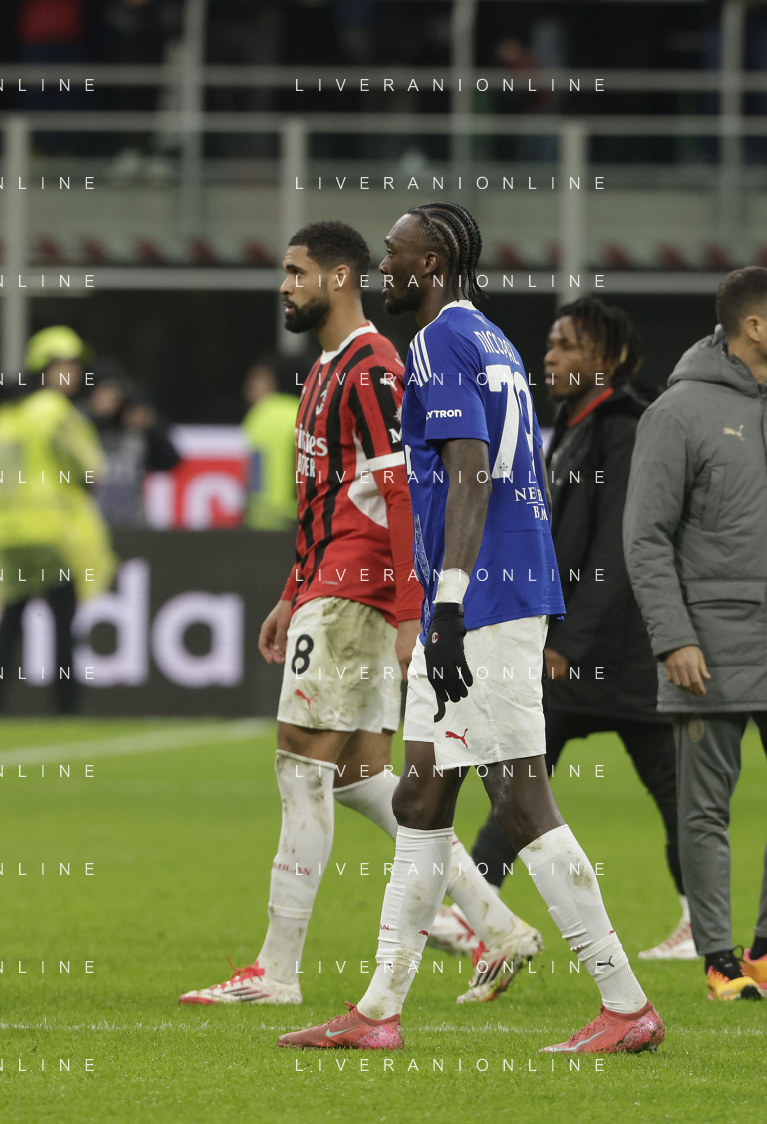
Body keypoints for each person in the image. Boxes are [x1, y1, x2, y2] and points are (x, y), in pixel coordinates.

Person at [279, 203, 664, 1054]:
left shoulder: (436, 342)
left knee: (521, 799)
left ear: (433, 264)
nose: (384, 268)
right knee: (420, 796)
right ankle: (378, 1010)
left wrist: (448, 600)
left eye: (394, 255)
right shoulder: (490, 338)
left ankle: (625, 1003)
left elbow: (468, 468)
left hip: (480, 603)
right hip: (488, 594)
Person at [179, 220, 543, 1009]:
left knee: (298, 766)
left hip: (357, 593)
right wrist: (291, 591)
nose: (284, 286)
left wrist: (412, 610)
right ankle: (498, 926)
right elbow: (326, 497)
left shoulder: (374, 368)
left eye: (296, 272)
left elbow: (402, 491)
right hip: (329, 586)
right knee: (358, 779)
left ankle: (275, 972)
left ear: (337, 278)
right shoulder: (324, 369)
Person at [468, 297, 691, 961]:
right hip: (591, 645)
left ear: (608, 358)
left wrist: (567, 641)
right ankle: (478, 907)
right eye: (550, 344)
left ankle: (477, 907)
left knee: (529, 769)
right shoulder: (573, 424)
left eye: (568, 345)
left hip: (612, 647)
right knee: (528, 769)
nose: (550, 356)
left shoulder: (625, 426)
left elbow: (619, 547)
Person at [623, 265, 767, 1002]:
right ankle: (720, 958)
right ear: (752, 326)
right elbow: (645, 538)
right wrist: (673, 638)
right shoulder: (677, 412)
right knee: (704, 811)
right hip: (710, 647)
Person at [0, 326, 117, 715]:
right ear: (44, 369)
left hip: (5, 531)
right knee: (63, 617)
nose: (72, 374)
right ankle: (66, 705)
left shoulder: (7, 413)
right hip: (48, 530)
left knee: (11, 617)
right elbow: (91, 469)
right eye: (65, 365)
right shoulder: (55, 410)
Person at [84, 366, 180, 527]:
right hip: (91, 525)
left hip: (132, 525)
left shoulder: (136, 434)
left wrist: (149, 425)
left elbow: (170, 461)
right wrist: (96, 414)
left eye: (116, 392)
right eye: (105, 389)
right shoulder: (81, 427)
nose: (111, 397)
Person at [240, 355, 300, 531]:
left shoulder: (256, 416)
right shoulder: (301, 411)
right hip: (293, 516)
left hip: (258, 518)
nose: (248, 390)